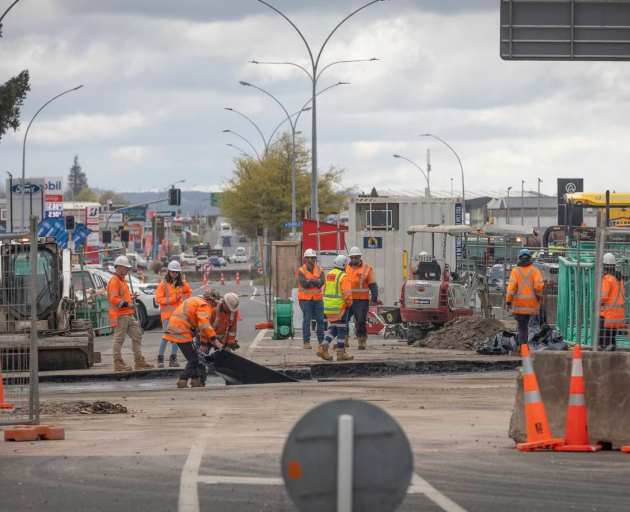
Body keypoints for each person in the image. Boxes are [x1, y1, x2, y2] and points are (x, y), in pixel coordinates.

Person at [162, 290, 222, 388]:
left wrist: (204, 341)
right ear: (211, 300)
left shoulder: (197, 300)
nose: (215, 305)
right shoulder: (205, 305)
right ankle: (183, 380)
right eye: (215, 302)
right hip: (181, 330)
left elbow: (201, 327)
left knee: (194, 357)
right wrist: (215, 340)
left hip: (178, 328)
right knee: (193, 360)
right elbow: (204, 324)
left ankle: (195, 380)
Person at [107, 255, 154, 371]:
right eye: (126, 268)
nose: (128, 270)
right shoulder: (114, 281)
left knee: (137, 335)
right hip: (120, 315)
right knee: (119, 339)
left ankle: (139, 361)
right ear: (119, 267)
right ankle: (117, 362)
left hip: (127, 313)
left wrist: (131, 298)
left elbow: (120, 297)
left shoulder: (121, 280)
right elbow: (114, 299)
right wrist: (127, 304)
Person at [155, 260, 192, 368]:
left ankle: (173, 358)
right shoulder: (163, 285)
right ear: (169, 272)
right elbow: (159, 299)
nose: (175, 274)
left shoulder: (182, 284)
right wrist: (174, 299)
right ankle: (160, 359)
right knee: (166, 336)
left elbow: (189, 292)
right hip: (167, 315)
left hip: (179, 315)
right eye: (173, 272)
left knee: (176, 337)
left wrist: (182, 299)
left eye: (177, 272)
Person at [505, 249, 544, 347]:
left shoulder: (515, 271)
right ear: (530, 258)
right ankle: (527, 346)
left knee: (522, 326)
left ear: (519, 258)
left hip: (519, 306)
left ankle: (523, 347)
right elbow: (538, 287)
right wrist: (539, 297)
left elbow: (511, 288)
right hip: (532, 305)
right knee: (530, 326)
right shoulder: (535, 271)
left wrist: (508, 302)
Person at [319, 254, 354, 362]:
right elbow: (347, 294)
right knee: (342, 329)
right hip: (340, 307)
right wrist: (349, 304)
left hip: (328, 307)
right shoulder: (343, 276)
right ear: (344, 265)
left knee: (335, 328)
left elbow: (324, 290)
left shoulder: (329, 274)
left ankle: (323, 347)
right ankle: (340, 352)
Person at [345, 246, 379, 350]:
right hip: (347, 299)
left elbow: (373, 285)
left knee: (360, 321)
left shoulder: (367, 269)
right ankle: (344, 340)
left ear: (360, 257)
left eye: (355, 258)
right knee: (343, 320)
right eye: (352, 258)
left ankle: (362, 340)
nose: (353, 260)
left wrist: (374, 299)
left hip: (361, 300)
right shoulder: (345, 268)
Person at [295, 249, 326, 350]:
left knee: (320, 321)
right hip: (305, 299)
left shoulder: (320, 270)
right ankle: (306, 342)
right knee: (307, 321)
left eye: (314, 258)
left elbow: (321, 282)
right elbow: (304, 284)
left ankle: (321, 342)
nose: (313, 259)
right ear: (306, 259)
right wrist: (315, 282)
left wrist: (312, 281)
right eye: (311, 258)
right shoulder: (301, 270)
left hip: (318, 299)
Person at [599, 253, 625, 351]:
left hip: (607, 317)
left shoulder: (607, 279)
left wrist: (595, 304)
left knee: (602, 341)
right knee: (611, 339)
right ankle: (614, 350)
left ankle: (612, 352)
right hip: (617, 317)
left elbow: (603, 297)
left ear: (604, 266)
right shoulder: (619, 279)